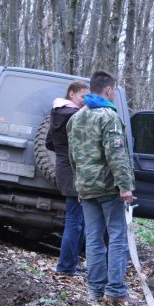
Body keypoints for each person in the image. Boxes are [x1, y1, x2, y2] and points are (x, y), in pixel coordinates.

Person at [67, 70, 135, 304]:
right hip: (107, 187)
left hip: (86, 188)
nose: (114, 94)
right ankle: (115, 290)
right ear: (108, 90)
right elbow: (116, 154)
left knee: (94, 238)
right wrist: (125, 186)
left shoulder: (76, 118)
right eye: (114, 90)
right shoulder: (108, 116)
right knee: (117, 236)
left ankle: (95, 290)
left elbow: (73, 156)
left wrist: (79, 187)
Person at [45, 80, 90, 275]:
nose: (85, 101)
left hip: (64, 170)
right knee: (75, 221)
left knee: (78, 220)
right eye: (83, 96)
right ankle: (65, 267)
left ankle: (70, 263)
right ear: (71, 93)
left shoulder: (56, 113)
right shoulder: (77, 116)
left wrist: (63, 153)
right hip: (76, 172)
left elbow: (48, 143)